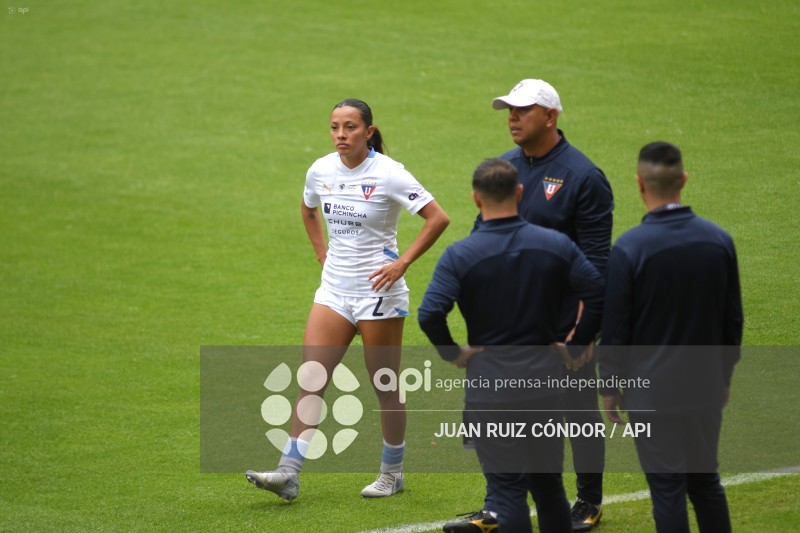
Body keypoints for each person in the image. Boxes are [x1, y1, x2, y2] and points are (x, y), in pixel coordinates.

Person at [246, 98, 450, 500]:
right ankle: (289, 473)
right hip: (334, 292)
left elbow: (438, 218)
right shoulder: (320, 169)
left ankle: (392, 473)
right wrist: (321, 252)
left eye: (351, 127)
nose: (342, 135)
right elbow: (309, 210)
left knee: (385, 385)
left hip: (379, 294)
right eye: (335, 127)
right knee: (312, 378)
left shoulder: (390, 174)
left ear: (368, 131)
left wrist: (402, 263)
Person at [445, 79, 613, 533]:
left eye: (522, 110)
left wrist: (581, 334)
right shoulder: (504, 169)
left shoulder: (584, 177)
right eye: (508, 110)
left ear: (551, 116)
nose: (512, 117)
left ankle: (590, 500)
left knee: (577, 413)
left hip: (564, 328)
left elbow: (597, 266)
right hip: (511, 328)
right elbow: (483, 243)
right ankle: (498, 505)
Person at [419, 158, 605, 533]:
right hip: (544, 384)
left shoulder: (460, 255)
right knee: (549, 487)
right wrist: (575, 344)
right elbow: (598, 292)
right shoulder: (556, 244)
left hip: (490, 388)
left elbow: (429, 314)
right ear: (520, 193)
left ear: (475, 199)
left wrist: (454, 354)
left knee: (507, 494)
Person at [598, 142, 743, 532]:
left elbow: (615, 329)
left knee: (667, 489)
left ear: (639, 184)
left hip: (651, 393)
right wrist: (724, 377)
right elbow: (733, 321)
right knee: (706, 482)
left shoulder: (629, 249)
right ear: (684, 180)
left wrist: (610, 387)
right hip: (705, 387)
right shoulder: (719, 241)